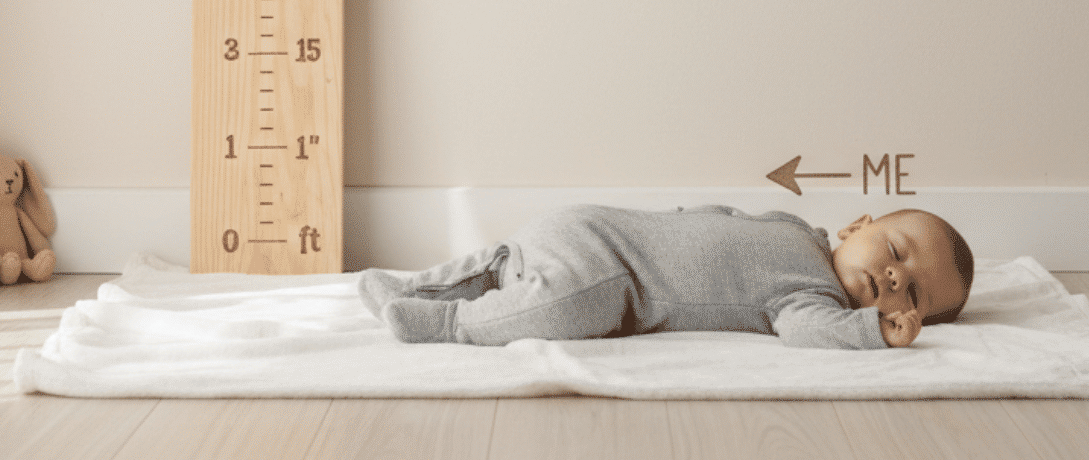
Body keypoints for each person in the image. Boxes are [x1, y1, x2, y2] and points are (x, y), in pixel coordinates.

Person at [358, 204, 974, 349]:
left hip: (617, 272)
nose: (894, 277)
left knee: (552, 294)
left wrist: (870, 332)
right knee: (549, 291)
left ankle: (429, 301)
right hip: (607, 242)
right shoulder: (794, 227)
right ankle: (447, 312)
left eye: (910, 293)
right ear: (855, 225)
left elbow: (806, 332)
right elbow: (722, 218)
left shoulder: (811, 298)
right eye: (894, 249)